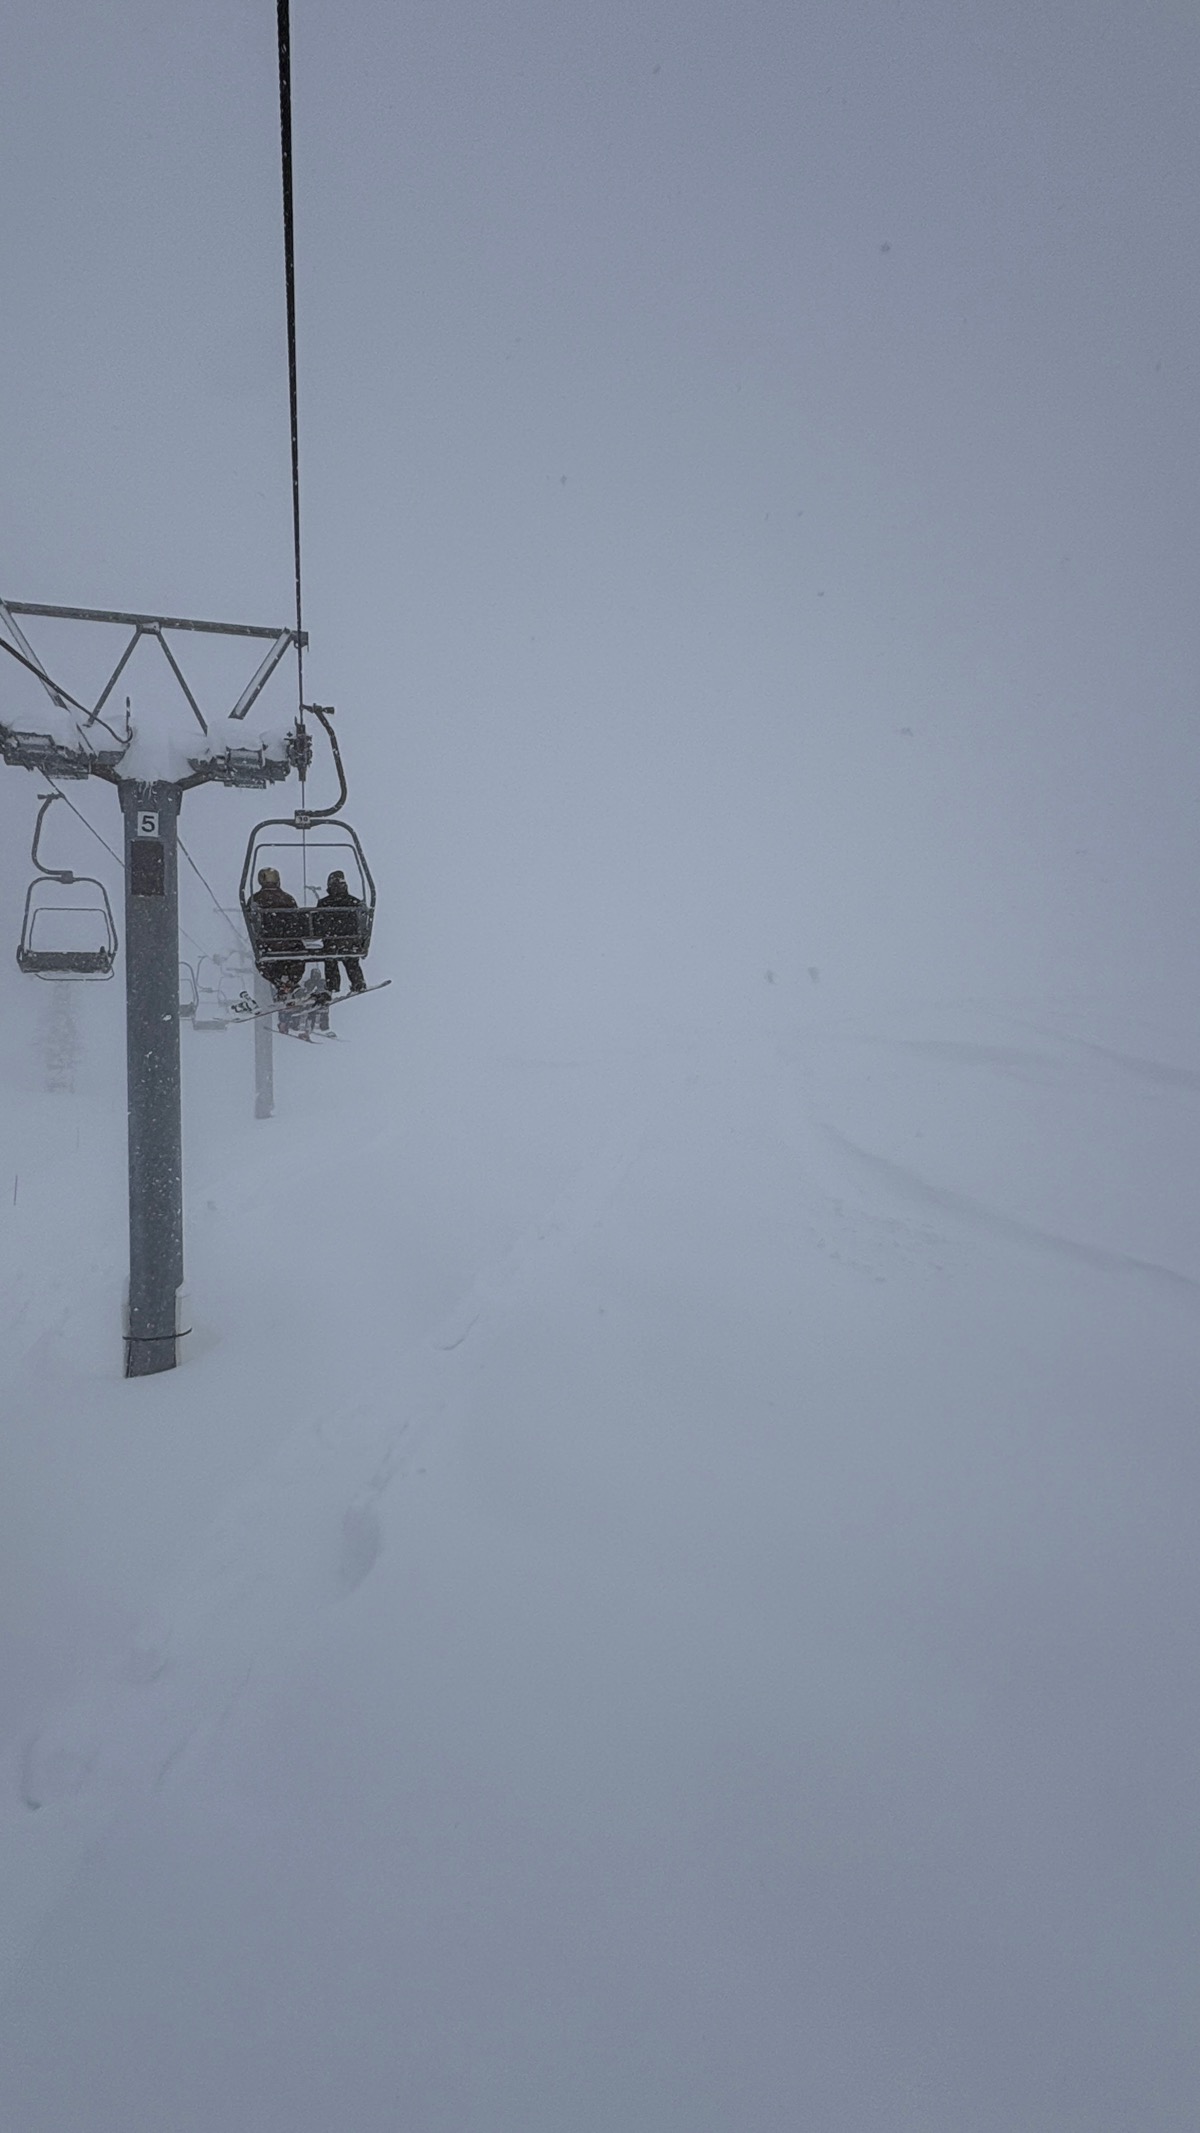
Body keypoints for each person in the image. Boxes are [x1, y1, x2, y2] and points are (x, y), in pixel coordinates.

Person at [250, 865, 307, 1030]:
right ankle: (290, 984)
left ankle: (281, 985)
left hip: (269, 944)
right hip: (291, 944)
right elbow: (296, 920)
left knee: (264, 963)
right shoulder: (288, 899)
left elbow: (253, 921)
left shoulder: (256, 899)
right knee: (295, 961)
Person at [317, 869, 367, 996]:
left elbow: (318, 924)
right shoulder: (354, 902)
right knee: (351, 959)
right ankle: (358, 982)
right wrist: (360, 941)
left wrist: (327, 935)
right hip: (350, 942)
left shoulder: (324, 903)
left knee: (330, 958)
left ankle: (332, 985)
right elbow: (362, 925)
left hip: (331, 942)